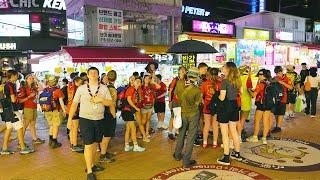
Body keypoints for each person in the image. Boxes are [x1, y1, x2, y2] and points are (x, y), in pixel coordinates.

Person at [68, 67, 114, 180]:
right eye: (91, 72)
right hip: (86, 119)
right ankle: (89, 171)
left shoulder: (103, 88)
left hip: (99, 119)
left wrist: (101, 100)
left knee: (94, 144)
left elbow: (110, 102)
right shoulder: (81, 88)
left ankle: (92, 165)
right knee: (88, 145)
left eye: (95, 72)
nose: (93, 74)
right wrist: (69, 119)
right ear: (87, 76)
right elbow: (74, 104)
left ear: (98, 75)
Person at [1, 70, 35, 155]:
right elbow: (13, 99)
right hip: (12, 110)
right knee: (20, 127)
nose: (17, 77)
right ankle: (23, 147)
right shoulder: (10, 85)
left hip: (6, 109)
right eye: (16, 75)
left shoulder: (6, 84)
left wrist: (25, 98)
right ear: (12, 76)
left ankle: (4, 148)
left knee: (9, 128)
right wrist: (27, 98)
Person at [174, 67, 202, 168]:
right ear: (197, 76)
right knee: (191, 137)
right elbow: (198, 103)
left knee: (181, 134)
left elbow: (176, 96)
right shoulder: (196, 89)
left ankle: (177, 155)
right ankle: (186, 161)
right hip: (193, 114)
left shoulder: (180, 83)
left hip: (182, 112)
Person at [217, 62, 242, 165]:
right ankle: (237, 154)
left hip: (226, 107)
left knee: (224, 132)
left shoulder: (225, 81)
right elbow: (241, 92)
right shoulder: (237, 81)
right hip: (235, 106)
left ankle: (226, 157)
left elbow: (222, 97)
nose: (222, 68)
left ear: (227, 69)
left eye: (223, 66)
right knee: (234, 131)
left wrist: (216, 98)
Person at [247, 69, 272, 145]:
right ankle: (264, 139)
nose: (258, 77)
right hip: (269, 105)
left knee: (257, 121)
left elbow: (253, 95)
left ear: (263, 75)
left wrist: (249, 90)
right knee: (266, 122)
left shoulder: (260, 84)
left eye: (259, 75)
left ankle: (255, 137)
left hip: (261, 105)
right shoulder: (270, 83)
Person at [121, 77, 146, 152]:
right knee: (133, 128)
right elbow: (129, 99)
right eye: (137, 81)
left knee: (128, 129)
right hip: (127, 111)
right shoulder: (131, 89)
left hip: (127, 111)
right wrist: (135, 107)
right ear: (133, 82)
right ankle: (135, 146)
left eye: (139, 82)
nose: (138, 83)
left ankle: (127, 146)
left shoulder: (136, 90)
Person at [19, 74, 45, 144]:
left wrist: (36, 79)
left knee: (33, 124)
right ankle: (20, 142)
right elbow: (20, 100)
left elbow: (42, 88)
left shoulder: (34, 88)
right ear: (26, 80)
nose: (31, 80)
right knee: (25, 125)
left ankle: (35, 139)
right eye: (30, 78)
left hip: (34, 107)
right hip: (27, 108)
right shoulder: (24, 88)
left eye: (32, 78)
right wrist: (29, 96)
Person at [42, 76, 66, 148]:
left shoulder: (45, 89)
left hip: (47, 110)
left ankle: (50, 140)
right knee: (56, 125)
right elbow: (61, 102)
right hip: (56, 110)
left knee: (51, 125)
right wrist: (64, 110)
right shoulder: (58, 90)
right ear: (56, 82)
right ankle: (54, 141)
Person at [99, 70, 118, 163]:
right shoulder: (111, 89)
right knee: (107, 135)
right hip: (109, 114)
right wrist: (114, 115)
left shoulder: (104, 87)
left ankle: (104, 152)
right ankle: (102, 156)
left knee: (105, 135)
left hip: (103, 113)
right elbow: (112, 104)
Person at [201, 68, 220, 148]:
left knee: (207, 124)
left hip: (207, 106)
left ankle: (205, 142)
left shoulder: (205, 83)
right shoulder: (220, 84)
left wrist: (204, 103)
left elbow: (201, 96)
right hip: (216, 107)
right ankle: (215, 143)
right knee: (215, 125)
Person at [271, 66, 293, 133]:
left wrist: (282, 82)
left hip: (283, 98)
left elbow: (291, 87)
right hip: (275, 98)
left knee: (280, 113)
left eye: (279, 73)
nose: (278, 74)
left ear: (281, 71)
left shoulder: (286, 78)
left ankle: (279, 127)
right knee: (276, 113)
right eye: (276, 73)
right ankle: (277, 125)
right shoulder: (275, 78)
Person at [168, 66, 187, 140]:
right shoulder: (175, 80)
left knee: (180, 116)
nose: (182, 72)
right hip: (175, 101)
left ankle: (177, 131)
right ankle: (170, 132)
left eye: (184, 70)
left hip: (183, 102)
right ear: (179, 71)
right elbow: (170, 91)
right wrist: (170, 102)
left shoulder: (186, 80)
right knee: (173, 116)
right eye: (181, 70)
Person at [66, 76, 84, 152]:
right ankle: (75, 145)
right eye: (80, 83)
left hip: (69, 109)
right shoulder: (76, 89)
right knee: (75, 128)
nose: (81, 85)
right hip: (74, 110)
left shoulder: (68, 87)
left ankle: (72, 144)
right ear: (76, 82)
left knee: (72, 128)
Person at [194, 62, 209, 146]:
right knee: (195, 120)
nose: (206, 71)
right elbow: (197, 90)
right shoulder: (196, 77)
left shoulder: (200, 77)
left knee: (198, 119)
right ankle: (194, 138)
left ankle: (196, 135)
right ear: (201, 68)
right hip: (196, 102)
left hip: (199, 102)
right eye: (205, 69)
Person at [237, 66, 252, 141]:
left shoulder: (237, 78)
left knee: (238, 119)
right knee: (242, 120)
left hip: (238, 101)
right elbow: (249, 90)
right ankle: (239, 136)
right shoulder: (248, 79)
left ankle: (238, 133)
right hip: (246, 101)